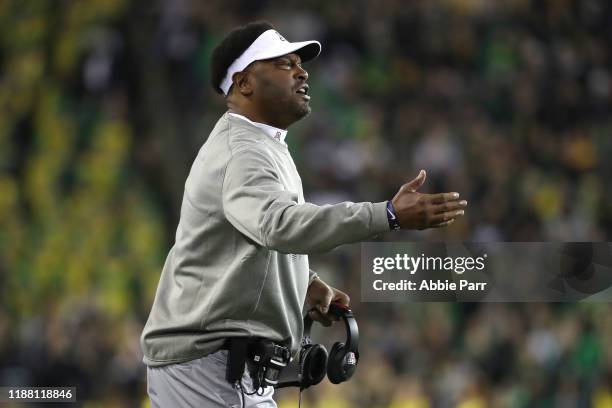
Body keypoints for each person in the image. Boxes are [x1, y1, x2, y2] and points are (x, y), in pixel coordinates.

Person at [140, 21, 467, 408]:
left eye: (299, 63)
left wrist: (301, 284)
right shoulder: (242, 152)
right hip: (206, 367)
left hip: (226, 367)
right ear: (244, 84)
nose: (302, 71)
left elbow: (247, 240)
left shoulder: (264, 144)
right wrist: (388, 215)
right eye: (283, 64)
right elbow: (279, 226)